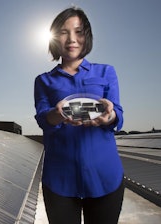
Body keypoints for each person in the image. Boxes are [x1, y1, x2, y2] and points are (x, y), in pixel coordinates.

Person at [34, 7, 124, 224]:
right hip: (60, 180)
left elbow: (117, 114)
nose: (72, 39)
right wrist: (57, 115)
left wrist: (109, 116)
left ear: (87, 36)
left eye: (79, 32)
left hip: (105, 176)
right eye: (64, 32)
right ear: (55, 38)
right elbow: (42, 119)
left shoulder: (106, 72)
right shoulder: (43, 80)